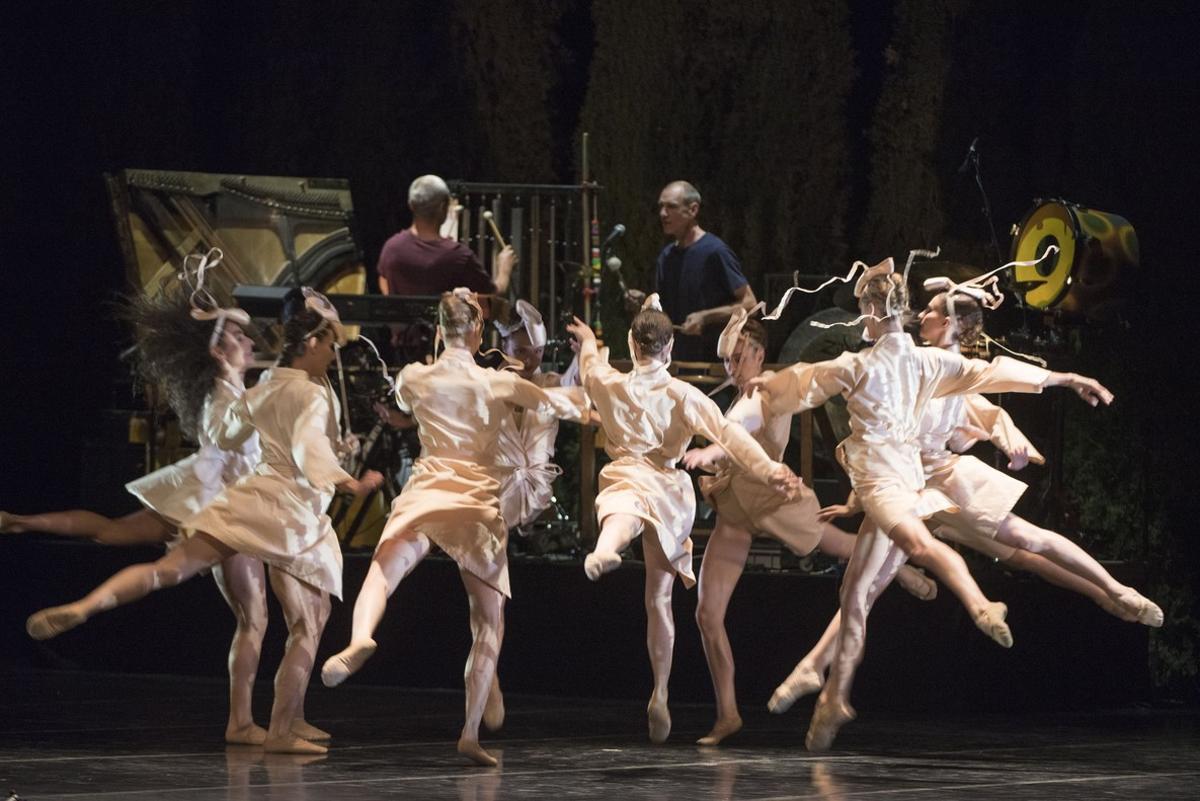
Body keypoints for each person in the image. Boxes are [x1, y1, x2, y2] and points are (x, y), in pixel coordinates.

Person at [747, 258, 1114, 751]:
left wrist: (768, 386)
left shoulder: (864, 364)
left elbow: (807, 381)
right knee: (857, 594)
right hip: (904, 477)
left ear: (875, 313)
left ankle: (980, 605)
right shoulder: (927, 361)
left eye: (863, 311)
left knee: (917, 558)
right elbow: (994, 371)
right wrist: (1067, 378)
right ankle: (830, 691)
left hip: (891, 482)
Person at [26, 288, 383, 755]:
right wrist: (348, 480)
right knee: (306, 622)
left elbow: (236, 433)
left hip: (244, 502)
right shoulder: (306, 394)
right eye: (331, 344)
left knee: (171, 571)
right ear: (312, 342)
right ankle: (280, 728)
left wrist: (330, 448)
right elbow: (305, 449)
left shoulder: (264, 386)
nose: (334, 352)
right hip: (289, 515)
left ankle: (87, 605)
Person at [320, 289, 586, 767]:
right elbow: (553, 403)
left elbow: (402, 399)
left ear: (440, 332)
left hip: (427, 491)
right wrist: (589, 399)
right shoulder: (493, 383)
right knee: (487, 624)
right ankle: (468, 732)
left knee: (382, 571)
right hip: (477, 503)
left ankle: (360, 638)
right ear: (479, 332)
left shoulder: (415, 376)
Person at [679, 309, 938, 746]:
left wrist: (709, 453)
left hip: (772, 499)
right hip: (737, 507)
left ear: (759, 355)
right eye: (728, 361)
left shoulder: (762, 395)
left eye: (740, 358)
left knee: (844, 548)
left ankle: (904, 567)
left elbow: (738, 429)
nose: (732, 368)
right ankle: (727, 714)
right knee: (707, 614)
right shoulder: (743, 392)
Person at [564, 296, 800, 744]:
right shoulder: (683, 395)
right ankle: (661, 691)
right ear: (668, 351)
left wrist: (591, 341)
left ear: (633, 348)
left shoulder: (609, 382)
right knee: (659, 598)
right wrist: (769, 467)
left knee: (622, 510)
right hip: (671, 492)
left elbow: (591, 363)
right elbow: (730, 436)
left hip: (630, 476)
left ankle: (604, 548)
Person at [647, 181, 756, 361]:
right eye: (661, 206)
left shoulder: (715, 252)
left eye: (671, 207)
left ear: (693, 210)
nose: (663, 213)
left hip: (712, 365)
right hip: (673, 364)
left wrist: (706, 317)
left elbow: (751, 304)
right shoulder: (666, 257)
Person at [377, 174, 515, 296]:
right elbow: (492, 293)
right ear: (444, 207)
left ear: (411, 205)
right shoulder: (458, 256)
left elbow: (383, 280)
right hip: (440, 326)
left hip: (400, 324)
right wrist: (504, 269)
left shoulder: (392, 248)